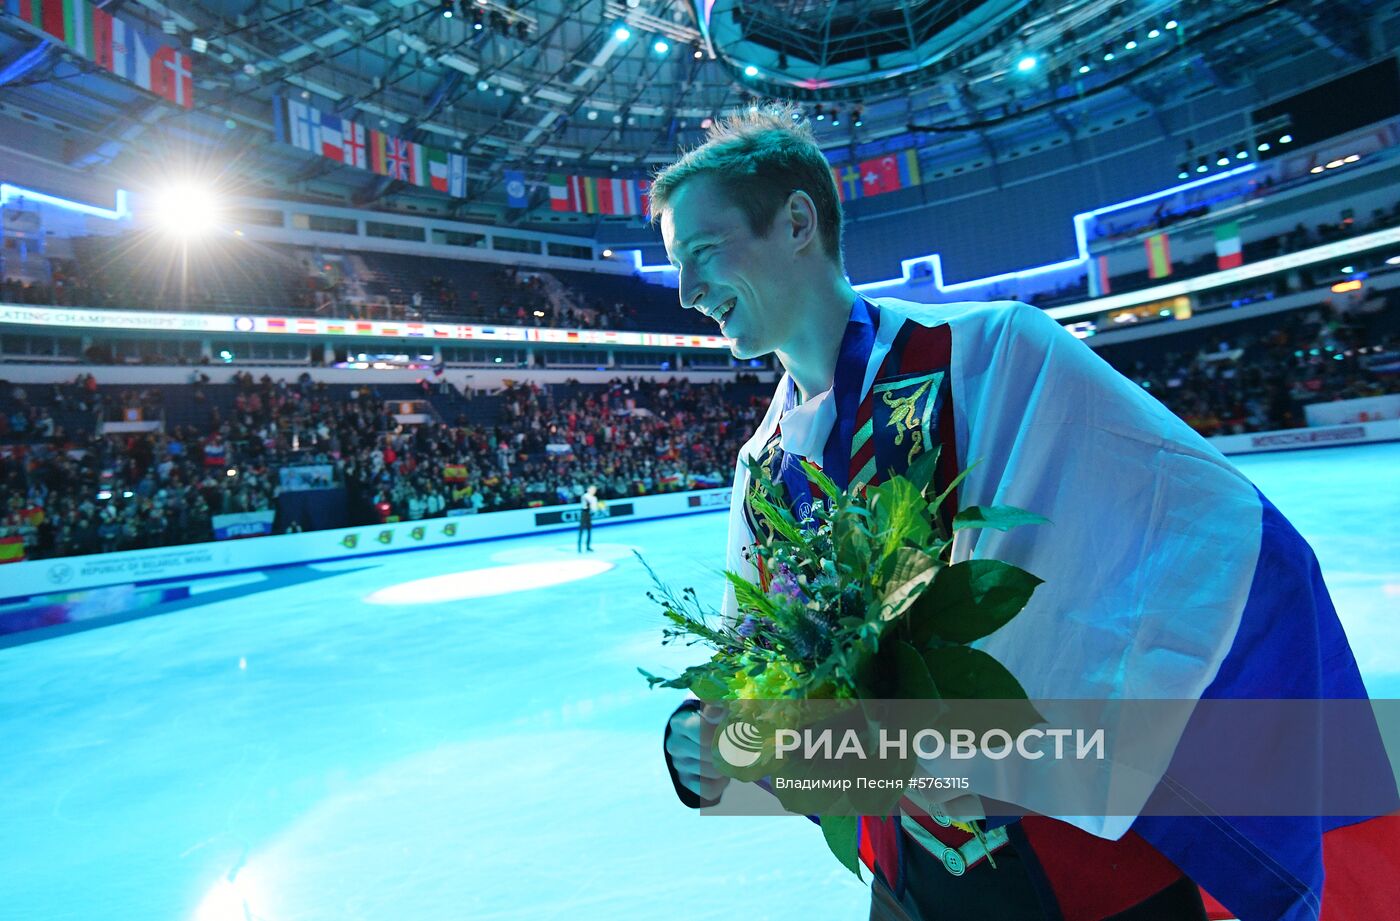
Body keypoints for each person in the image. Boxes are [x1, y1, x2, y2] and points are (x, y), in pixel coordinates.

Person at [651, 103, 1397, 921]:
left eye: (702, 252)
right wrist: (703, 734)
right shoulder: (761, 467)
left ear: (798, 222)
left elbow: (1226, 539)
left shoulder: (998, 354)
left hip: (1089, 876)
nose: (687, 291)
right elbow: (758, 674)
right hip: (909, 882)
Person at [578, 484, 598, 553]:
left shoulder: (594, 498)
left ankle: (588, 547)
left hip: (589, 514)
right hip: (584, 513)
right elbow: (585, 504)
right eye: (592, 489)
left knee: (589, 530)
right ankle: (579, 547)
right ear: (588, 489)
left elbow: (594, 508)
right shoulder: (585, 496)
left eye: (595, 490)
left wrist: (594, 509)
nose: (594, 491)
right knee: (581, 530)